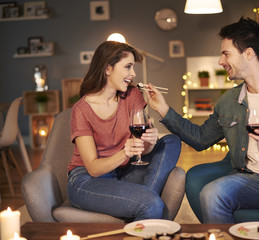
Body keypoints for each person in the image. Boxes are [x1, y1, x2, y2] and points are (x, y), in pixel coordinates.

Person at [146, 17, 259, 223]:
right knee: (211, 194)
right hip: (254, 179)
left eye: (226, 53)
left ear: (249, 53)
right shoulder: (229, 101)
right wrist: (163, 109)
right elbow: (200, 139)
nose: (220, 61)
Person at [67, 41, 181, 221]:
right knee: (151, 204)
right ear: (108, 69)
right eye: (128, 67)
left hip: (123, 171)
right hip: (87, 180)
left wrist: (149, 142)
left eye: (133, 67)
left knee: (171, 141)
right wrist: (124, 153)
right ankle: (145, 203)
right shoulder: (81, 110)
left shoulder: (132, 94)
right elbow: (94, 169)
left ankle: (142, 202)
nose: (133, 74)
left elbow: (142, 150)